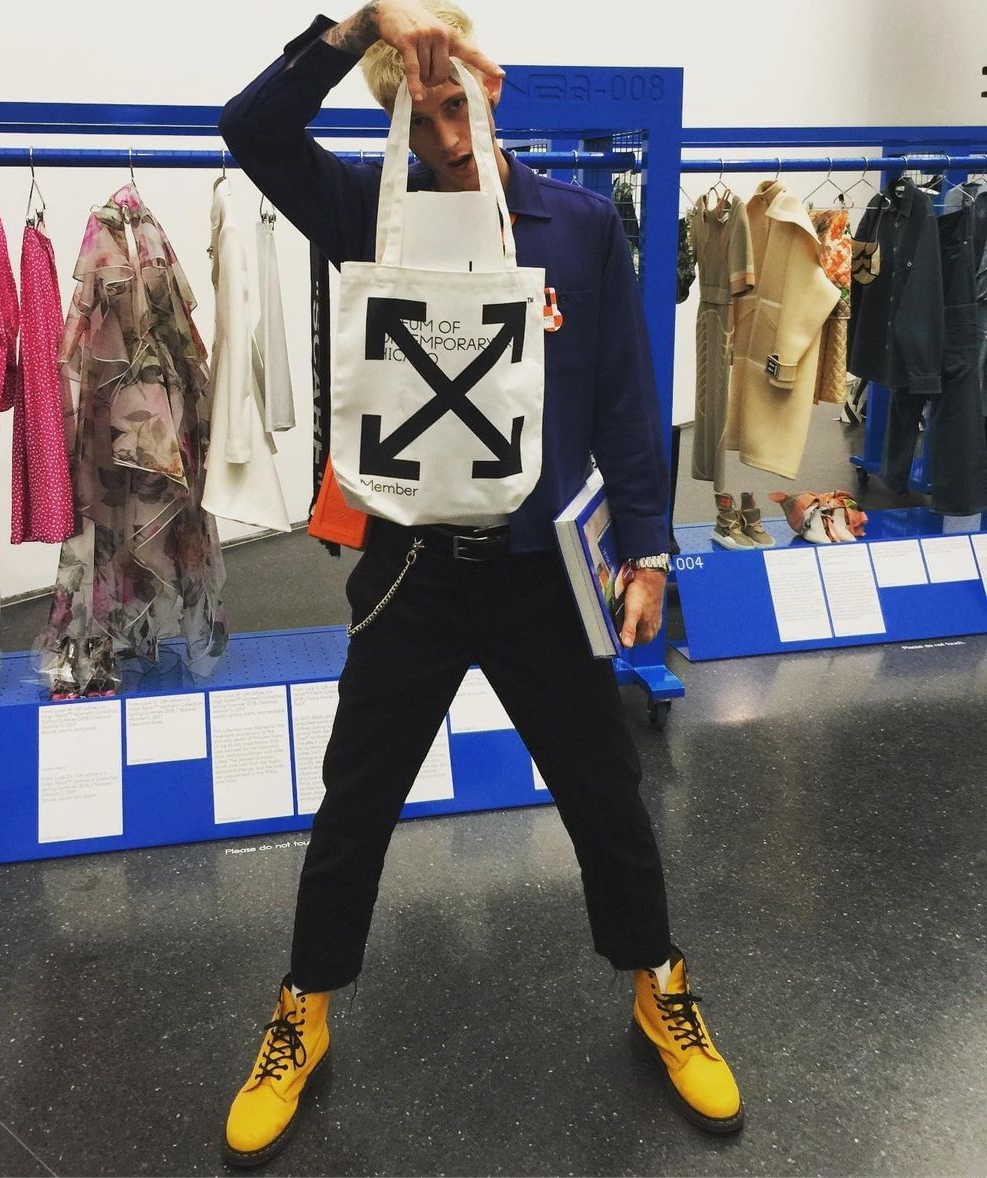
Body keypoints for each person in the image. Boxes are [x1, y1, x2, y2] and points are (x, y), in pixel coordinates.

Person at [218, 2, 743, 1164]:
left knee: (607, 791)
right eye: (421, 114)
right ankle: (303, 1006)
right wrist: (361, 24)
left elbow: (622, 393)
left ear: (492, 90)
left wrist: (649, 549)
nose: (447, 135)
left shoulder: (578, 224)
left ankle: (660, 982)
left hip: (542, 570)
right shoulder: (370, 210)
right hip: (413, 567)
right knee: (355, 802)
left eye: (458, 104)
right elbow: (250, 130)